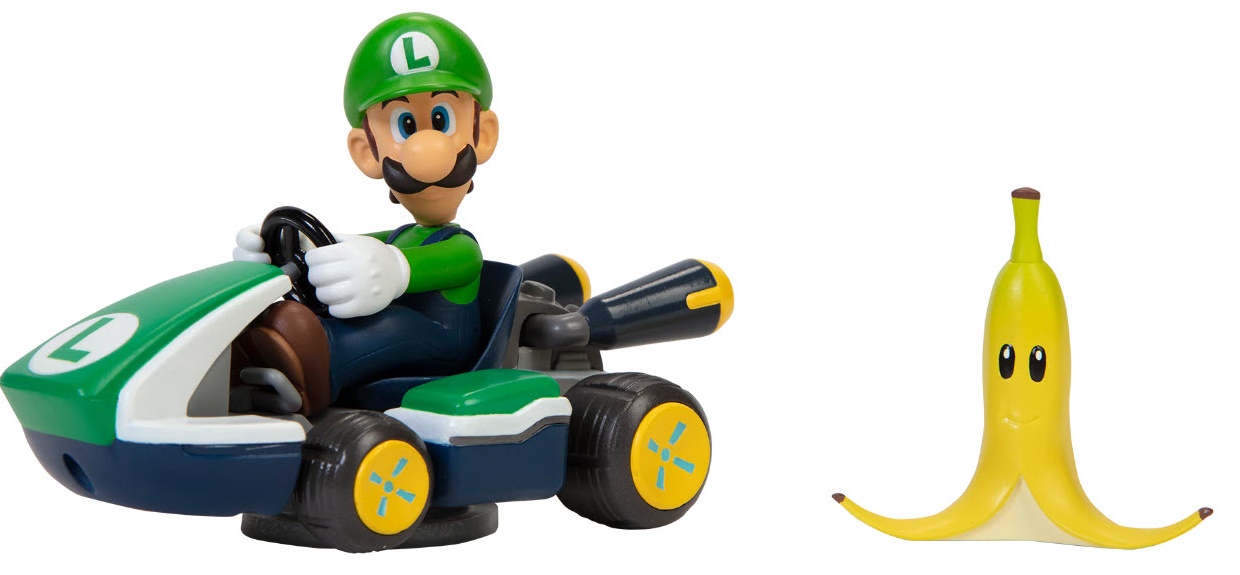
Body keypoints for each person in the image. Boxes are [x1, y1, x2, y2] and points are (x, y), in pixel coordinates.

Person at [230, 13, 500, 415]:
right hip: (413, 328)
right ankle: (263, 349)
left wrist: (394, 269)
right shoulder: (399, 235)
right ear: (367, 151)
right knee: (367, 316)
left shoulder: (462, 248)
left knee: (396, 325)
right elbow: (350, 247)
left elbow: (405, 266)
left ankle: (320, 362)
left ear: (483, 134)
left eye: (440, 120)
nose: (425, 148)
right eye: (405, 125)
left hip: (446, 342)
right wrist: (295, 250)